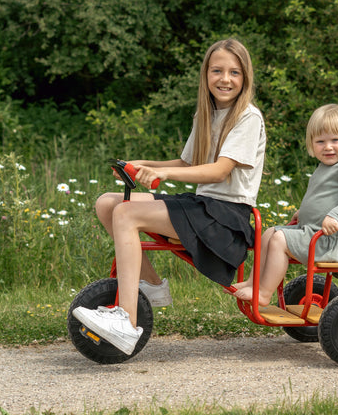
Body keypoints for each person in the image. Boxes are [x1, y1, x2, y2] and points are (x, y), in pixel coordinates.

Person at [73, 38, 266, 355]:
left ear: (245, 78)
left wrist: (164, 176)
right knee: (109, 203)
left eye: (234, 72)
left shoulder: (247, 117)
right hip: (203, 208)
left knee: (126, 213)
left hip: (226, 221)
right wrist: (142, 166)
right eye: (217, 70)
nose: (225, 79)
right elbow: (188, 164)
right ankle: (151, 287)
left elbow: (218, 171)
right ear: (206, 74)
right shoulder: (206, 114)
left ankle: (126, 322)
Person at [232, 104, 338, 307]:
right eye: (320, 141)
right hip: (310, 231)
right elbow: (322, 197)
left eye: (335, 140)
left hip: (328, 240)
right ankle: (253, 282)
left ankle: (264, 293)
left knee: (279, 240)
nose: (328, 147)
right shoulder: (323, 167)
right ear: (311, 144)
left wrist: (335, 215)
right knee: (269, 233)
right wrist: (302, 212)